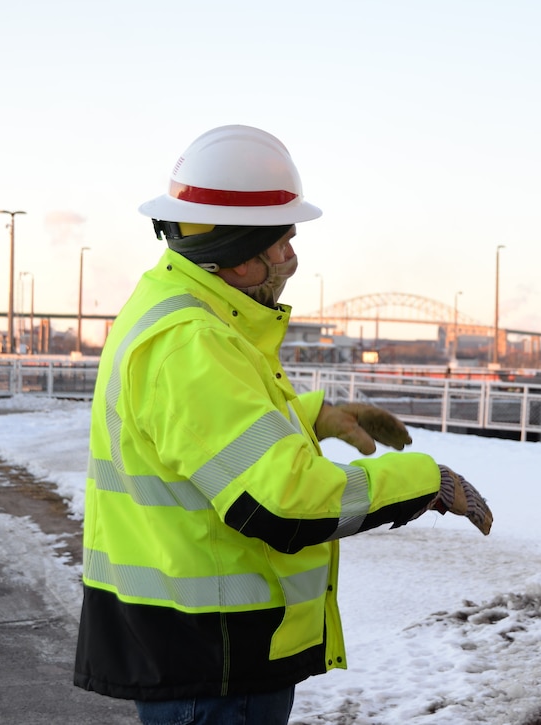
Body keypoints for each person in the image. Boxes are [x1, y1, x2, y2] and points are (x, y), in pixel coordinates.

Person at [73, 125, 493, 725]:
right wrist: (424, 482)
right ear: (239, 254)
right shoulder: (193, 343)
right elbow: (285, 504)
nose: (292, 257)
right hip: (213, 658)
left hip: (193, 646)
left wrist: (312, 415)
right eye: (282, 241)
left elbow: (200, 439)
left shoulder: (177, 310)